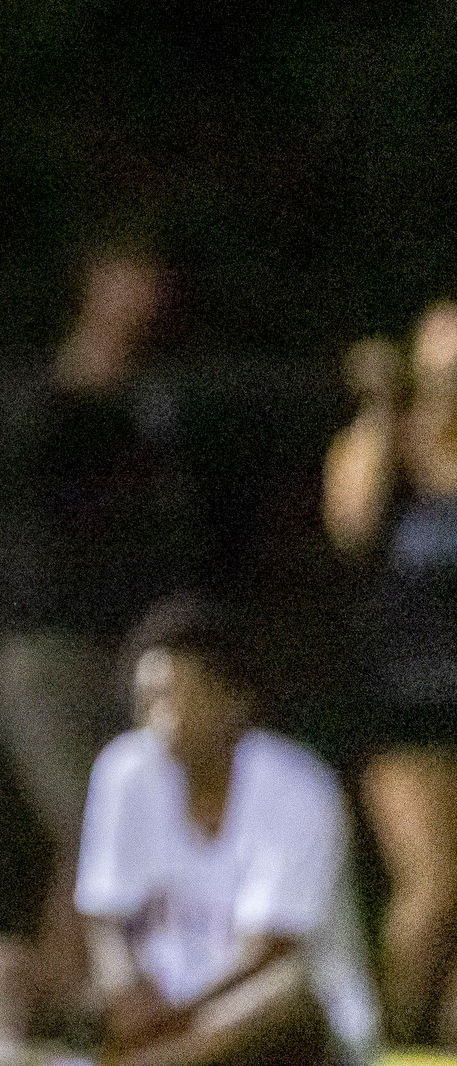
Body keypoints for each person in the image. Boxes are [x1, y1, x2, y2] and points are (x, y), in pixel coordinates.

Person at [0, 597, 379, 1066]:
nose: (160, 717)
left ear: (233, 701)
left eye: (179, 697)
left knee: (285, 993)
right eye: (148, 701)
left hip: (254, 1022)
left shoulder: (295, 785)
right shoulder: (126, 769)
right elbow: (106, 919)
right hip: (158, 1016)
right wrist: (126, 990)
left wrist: (170, 1018)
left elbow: (271, 953)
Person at [0, 242, 203, 1009]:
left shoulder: (155, 401)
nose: (146, 291)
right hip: (44, 650)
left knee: (94, 835)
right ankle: (86, 999)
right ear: (95, 281)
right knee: (96, 826)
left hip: (124, 651)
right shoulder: (49, 394)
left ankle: (59, 1004)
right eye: (128, 273)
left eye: (154, 276)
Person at [323, 299, 457, 1045]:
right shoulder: (384, 448)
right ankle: (386, 1046)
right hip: (406, 715)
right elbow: (349, 525)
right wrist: (382, 412)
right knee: (431, 890)